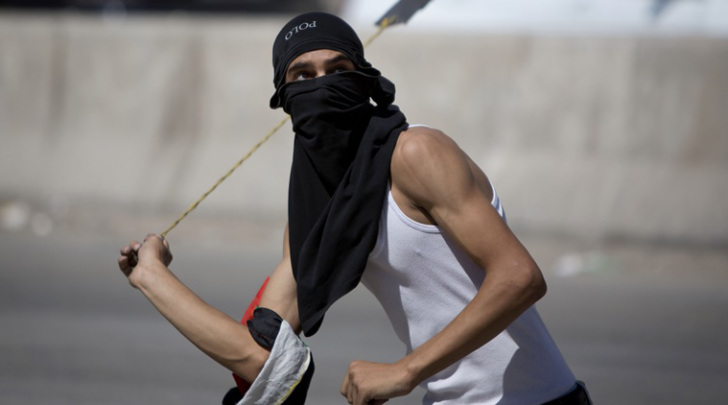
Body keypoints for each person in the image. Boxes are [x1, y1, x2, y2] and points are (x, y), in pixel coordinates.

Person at [118, 12, 592, 405]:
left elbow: (519, 277)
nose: (321, 85)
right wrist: (153, 276)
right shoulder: (317, 213)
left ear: (364, 79)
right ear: (284, 98)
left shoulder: (415, 153)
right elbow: (261, 359)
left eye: (338, 70)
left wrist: (404, 372)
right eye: (302, 76)